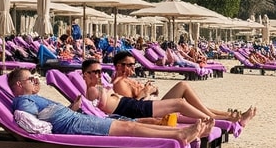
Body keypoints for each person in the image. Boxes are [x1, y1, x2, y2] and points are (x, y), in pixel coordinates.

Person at [7, 69, 211, 145]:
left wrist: (71, 107)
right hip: (72, 125)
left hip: (74, 119)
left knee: (129, 125)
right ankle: (179, 135)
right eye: (30, 79)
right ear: (19, 85)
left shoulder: (31, 98)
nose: (35, 81)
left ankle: (181, 132)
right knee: (128, 128)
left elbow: (44, 115)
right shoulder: (23, 101)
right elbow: (32, 123)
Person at [106, 52, 257, 124]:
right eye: (130, 65)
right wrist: (146, 92)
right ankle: (223, 119)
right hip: (149, 112)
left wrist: (151, 90)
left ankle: (229, 116)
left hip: (152, 105)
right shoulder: (119, 83)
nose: (134, 67)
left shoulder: (127, 80)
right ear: (119, 66)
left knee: (196, 104)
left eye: (134, 64)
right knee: (183, 86)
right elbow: (131, 108)